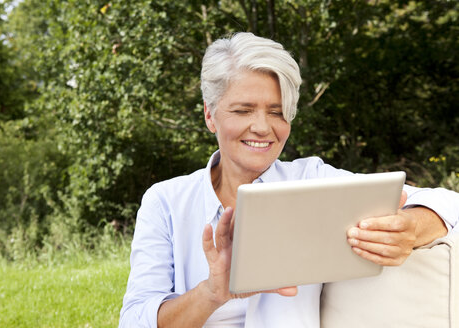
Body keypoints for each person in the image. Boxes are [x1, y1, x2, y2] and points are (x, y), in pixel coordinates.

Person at [119, 32, 459, 328]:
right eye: (242, 110)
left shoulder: (312, 179)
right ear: (210, 114)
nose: (263, 127)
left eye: (277, 112)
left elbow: (450, 204)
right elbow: (136, 321)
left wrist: (411, 227)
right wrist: (212, 292)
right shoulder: (165, 201)